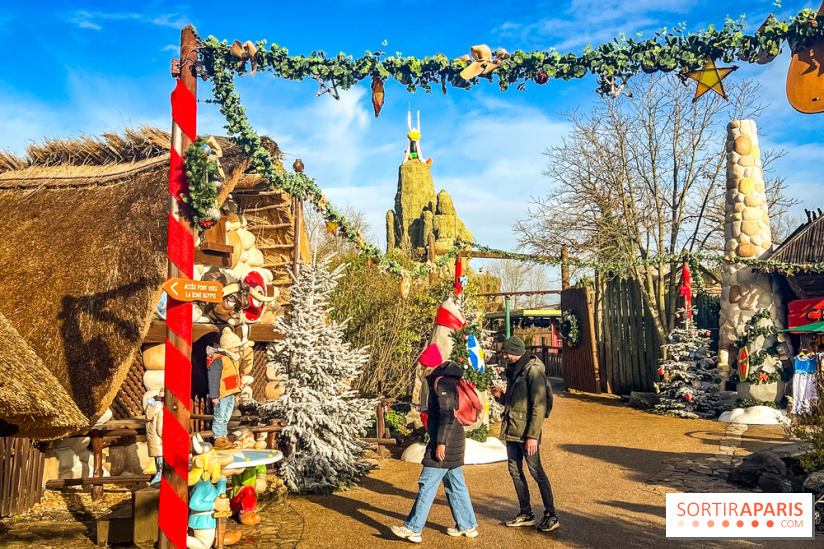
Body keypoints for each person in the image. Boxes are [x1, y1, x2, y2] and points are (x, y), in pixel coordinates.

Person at [391, 360, 478, 543]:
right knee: (456, 485)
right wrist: (426, 410)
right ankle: (467, 525)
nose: (420, 369)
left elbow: (446, 414)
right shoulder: (446, 380)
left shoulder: (442, 382)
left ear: (428, 365)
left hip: (446, 441)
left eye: (422, 365)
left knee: (427, 484)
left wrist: (441, 443)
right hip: (454, 439)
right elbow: (444, 410)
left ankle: (413, 528)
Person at [490, 335, 558, 532]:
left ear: (514, 352)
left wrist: (532, 436)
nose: (504, 356)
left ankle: (551, 514)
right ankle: (526, 513)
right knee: (514, 471)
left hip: (527, 432)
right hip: (512, 429)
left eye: (506, 353)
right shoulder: (515, 370)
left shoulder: (533, 371)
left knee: (536, 471)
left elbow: (539, 405)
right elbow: (516, 401)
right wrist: (500, 397)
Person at [208, 327, 242, 450]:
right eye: (234, 346)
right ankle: (219, 438)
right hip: (222, 393)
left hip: (231, 392)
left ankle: (224, 437)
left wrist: (237, 393)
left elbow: (235, 377)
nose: (236, 349)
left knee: (226, 417)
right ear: (228, 347)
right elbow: (214, 378)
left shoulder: (233, 359)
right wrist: (214, 395)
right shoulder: (219, 359)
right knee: (220, 417)